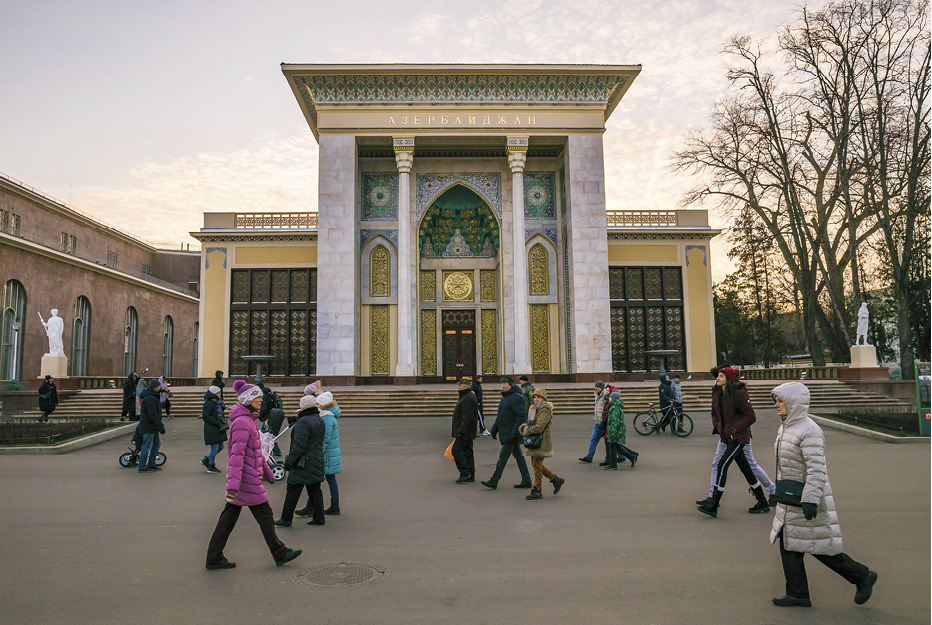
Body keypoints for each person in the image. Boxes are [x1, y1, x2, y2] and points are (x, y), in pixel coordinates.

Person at [769, 382, 878, 608]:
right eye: (776, 401)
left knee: (821, 548)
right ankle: (797, 593)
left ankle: (862, 576)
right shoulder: (787, 427)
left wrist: (810, 498)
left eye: (780, 401)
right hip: (790, 498)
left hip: (806, 498)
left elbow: (817, 469)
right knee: (789, 543)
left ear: (793, 402)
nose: (776, 405)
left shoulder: (809, 430)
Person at [205, 379, 302, 570]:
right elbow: (236, 455)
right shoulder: (242, 423)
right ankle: (279, 552)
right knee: (264, 516)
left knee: (229, 519)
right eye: (257, 397)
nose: (261, 399)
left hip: (247, 480)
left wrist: (267, 473)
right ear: (248, 399)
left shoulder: (247, 420)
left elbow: (256, 452)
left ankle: (214, 557)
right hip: (245, 482)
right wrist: (232, 486)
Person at [696, 366, 775, 513]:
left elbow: (751, 417)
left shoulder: (739, 393)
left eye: (721, 376)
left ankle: (714, 504)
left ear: (729, 379)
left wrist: (733, 430)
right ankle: (762, 501)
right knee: (746, 469)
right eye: (717, 376)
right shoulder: (717, 391)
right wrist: (718, 426)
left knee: (722, 465)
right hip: (725, 436)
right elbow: (714, 412)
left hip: (738, 438)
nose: (717, 379)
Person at [275, 394, 326, 527]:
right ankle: (319, 517)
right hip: (316, 459)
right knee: (314, 489)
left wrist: (289, 462)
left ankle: (286, 518)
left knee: (293, 489)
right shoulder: (318, 419)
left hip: (302, 463)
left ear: (302, 406)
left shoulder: (304, 422)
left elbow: (299, 446)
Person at [481, 377, 532, 490]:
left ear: (511, 385)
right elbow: (501, 416)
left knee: (502, 458)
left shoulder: (516, 398)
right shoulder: (505, 398)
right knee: (519, 456)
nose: (502, 386)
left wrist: (514, 433)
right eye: (502, 384)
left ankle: (494, 480)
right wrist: (495, 428)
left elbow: (520, 417)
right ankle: (527, 480)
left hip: (511, 434)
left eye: (505, 383)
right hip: (507, 432)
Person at [517, 388, 564, 500]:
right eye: (534, 397)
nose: (536, 399)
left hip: (541, 441)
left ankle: (537, 489)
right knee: (536, 464)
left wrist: (525, 429)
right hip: (536, 440)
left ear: (543, 398)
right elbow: (531, 422)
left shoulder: (545, 409)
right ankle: (555, 479)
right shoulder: (535, 408)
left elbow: (539, 427)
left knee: (537, 465)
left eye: (538, 397)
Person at [316, 391, 343, 515]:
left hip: (326, 455)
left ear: (323, 405)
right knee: (330, 479)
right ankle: (334, 505)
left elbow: (325, 439)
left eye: (318, 403)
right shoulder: (329, 416)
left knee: (315, 480)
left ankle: (311, 505)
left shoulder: (326, 418)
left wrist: (319, 452)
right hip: (330, 454)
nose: (316, 405)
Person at [451, 378, 479, 484]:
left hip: (465, 432)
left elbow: (467, 417)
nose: (458, 387)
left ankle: (465, 472)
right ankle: (471, 474)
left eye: (460, 385)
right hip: (467, 431)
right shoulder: (466, 396)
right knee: (467, 452)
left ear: (466, 386)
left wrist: (461, 431)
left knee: (456, 451)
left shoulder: (468, 398)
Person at [604, 390, 638, 469]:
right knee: (616, 446)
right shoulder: (615, 406)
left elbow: (614, 421)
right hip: (618, 430)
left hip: (615, 431)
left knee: (612, 446)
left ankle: (613, 465)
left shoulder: (614, 407)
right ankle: (631, 456)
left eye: (610, 397)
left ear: (613, 398)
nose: (609, 399)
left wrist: (612, 433)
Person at [137, 379, 165, 473]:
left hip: (153, 426)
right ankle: (142, 466)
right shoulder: (150, 398)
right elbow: (152, 414)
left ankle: (151, 463)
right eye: (158, 386)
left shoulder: (152, 396)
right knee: (147, 446)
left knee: (156, 444)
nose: (160, 387)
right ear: (155, 387)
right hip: (149, 426)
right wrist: (160, 426)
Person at [580, 381, 611, 464]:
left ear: (602, 388)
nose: (596, 388)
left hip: (603, 422)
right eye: (595, 386)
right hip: (597, 422)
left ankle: (589, 457)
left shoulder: (605, 395)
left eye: (598, 387)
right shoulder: (597, 394)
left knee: (610, 441)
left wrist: (604, 420)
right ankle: (589, 457)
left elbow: (609, 406)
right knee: (596, 439)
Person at [201, 385, 227, 474]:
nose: (220, 394)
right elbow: (205, 416)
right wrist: (217, 422)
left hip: (218, 427)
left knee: (221, 446)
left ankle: (207, 459)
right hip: (211, 428)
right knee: (215, 447)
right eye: (218, 393)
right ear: (214, 393)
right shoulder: (208, 403)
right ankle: (211, 466)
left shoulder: (217, 402)